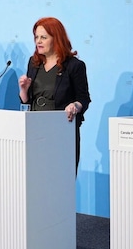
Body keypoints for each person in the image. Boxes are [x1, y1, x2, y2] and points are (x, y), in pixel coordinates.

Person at [19, 17, 91, 170]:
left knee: (60, 180)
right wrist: (24, 89)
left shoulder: (74, 66)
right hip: (35, 131)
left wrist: (74, 106)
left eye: (43, 37)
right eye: (36, 37)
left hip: (62, 132)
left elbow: (83, 99)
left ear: (56, 38)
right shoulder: (34, 63)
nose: (38, 41)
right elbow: (26, 102)